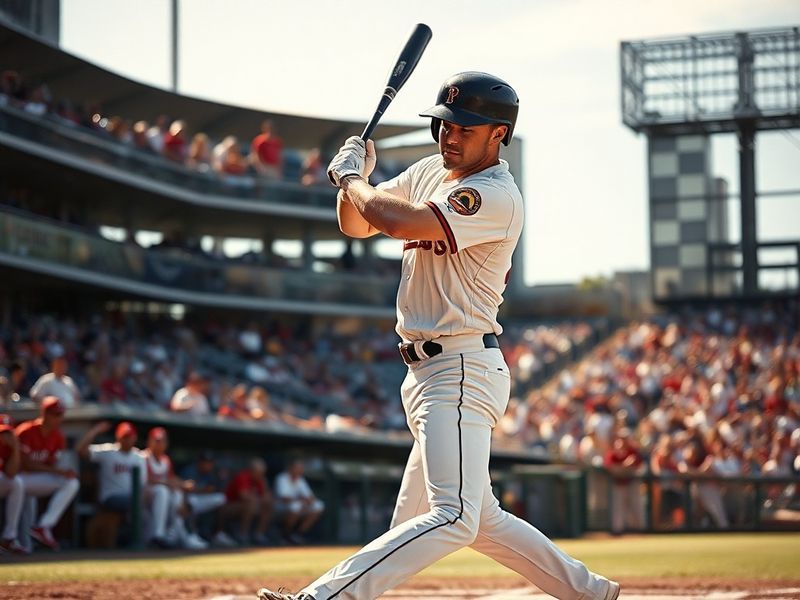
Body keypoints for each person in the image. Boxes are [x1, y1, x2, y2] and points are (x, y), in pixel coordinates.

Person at [258, 72, 619, 600]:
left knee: (450, 515)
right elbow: (357, 224)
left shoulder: (495, 196)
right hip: (427, 372)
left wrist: (352, 181)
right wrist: (355, 175)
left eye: (465, 128)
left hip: (462, 367)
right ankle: (591, 593)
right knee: (476, 517)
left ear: (498, 134)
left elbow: (397, 222)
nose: (449, 136)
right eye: (444, 124)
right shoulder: (431, 170)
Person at [15, 397, 80, 550]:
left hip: (35, 480)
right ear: (45, 413)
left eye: (60, 415)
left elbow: (54, 463)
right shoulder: (26, 431)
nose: (59, 418)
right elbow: (26, 464)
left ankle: (44, 526)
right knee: (24, 510)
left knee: (71, 482)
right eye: (55, 414)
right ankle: (16, 542)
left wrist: (65, 471)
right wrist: (58, 471)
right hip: (17, 478)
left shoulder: (58, 436)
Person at [140, 427, 207, 549]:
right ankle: (158, 534)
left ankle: (174, 534)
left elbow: (171, 477)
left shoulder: (165, 459)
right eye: (157, 441)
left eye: (162, 441)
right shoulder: (143, 457)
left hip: (159, 502)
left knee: (177, 494)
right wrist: (169, 483)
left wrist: (183, 484)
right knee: (162, 491)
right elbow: (149, 479)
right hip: (143, 498)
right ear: (150, 441)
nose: (160, 444)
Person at [75, 421, 146, 516]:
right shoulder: (108, 451)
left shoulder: (139, 456)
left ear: (135, 438)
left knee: (147, 500)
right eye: (124, 437)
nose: (127, 440)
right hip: (110, 497)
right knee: (135, 502)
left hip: (131, 497)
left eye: (130, 437)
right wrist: (95, 431)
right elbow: (81, 450)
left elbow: (143, 483)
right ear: (118, 437)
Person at [224, 457, 273, 546]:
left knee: (268, 505)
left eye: (263, 473)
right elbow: (244, 497)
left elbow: (266, 496)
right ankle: (243, 534)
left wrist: (263, 496)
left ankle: (259, 534)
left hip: (250, 505)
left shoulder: (260, 479)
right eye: (259, 473)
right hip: (229, 506)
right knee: (250, 504)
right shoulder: (243, 476)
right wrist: (259, 499)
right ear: (252, 471)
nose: (261, 475)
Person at [274, 459, 324, 545]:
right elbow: (284, 499)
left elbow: (310, 497)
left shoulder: (300, 479)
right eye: (298, 468)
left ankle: (298, 534)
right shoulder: (282, 478)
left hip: (299, 506)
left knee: (318, 506)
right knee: (295, 506)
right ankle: (285, 535)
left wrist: (307, 501)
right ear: (291, 468)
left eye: (301, 468)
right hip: (279, 507)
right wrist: (302, 501)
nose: (300, 470)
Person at [0, 414, 27, 554]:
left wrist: (15, 448)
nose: (4, 437)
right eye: (1, 433)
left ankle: (9, 537)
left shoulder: (10, 448)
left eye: (7, 433)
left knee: (16, 483)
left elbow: (10, 474)